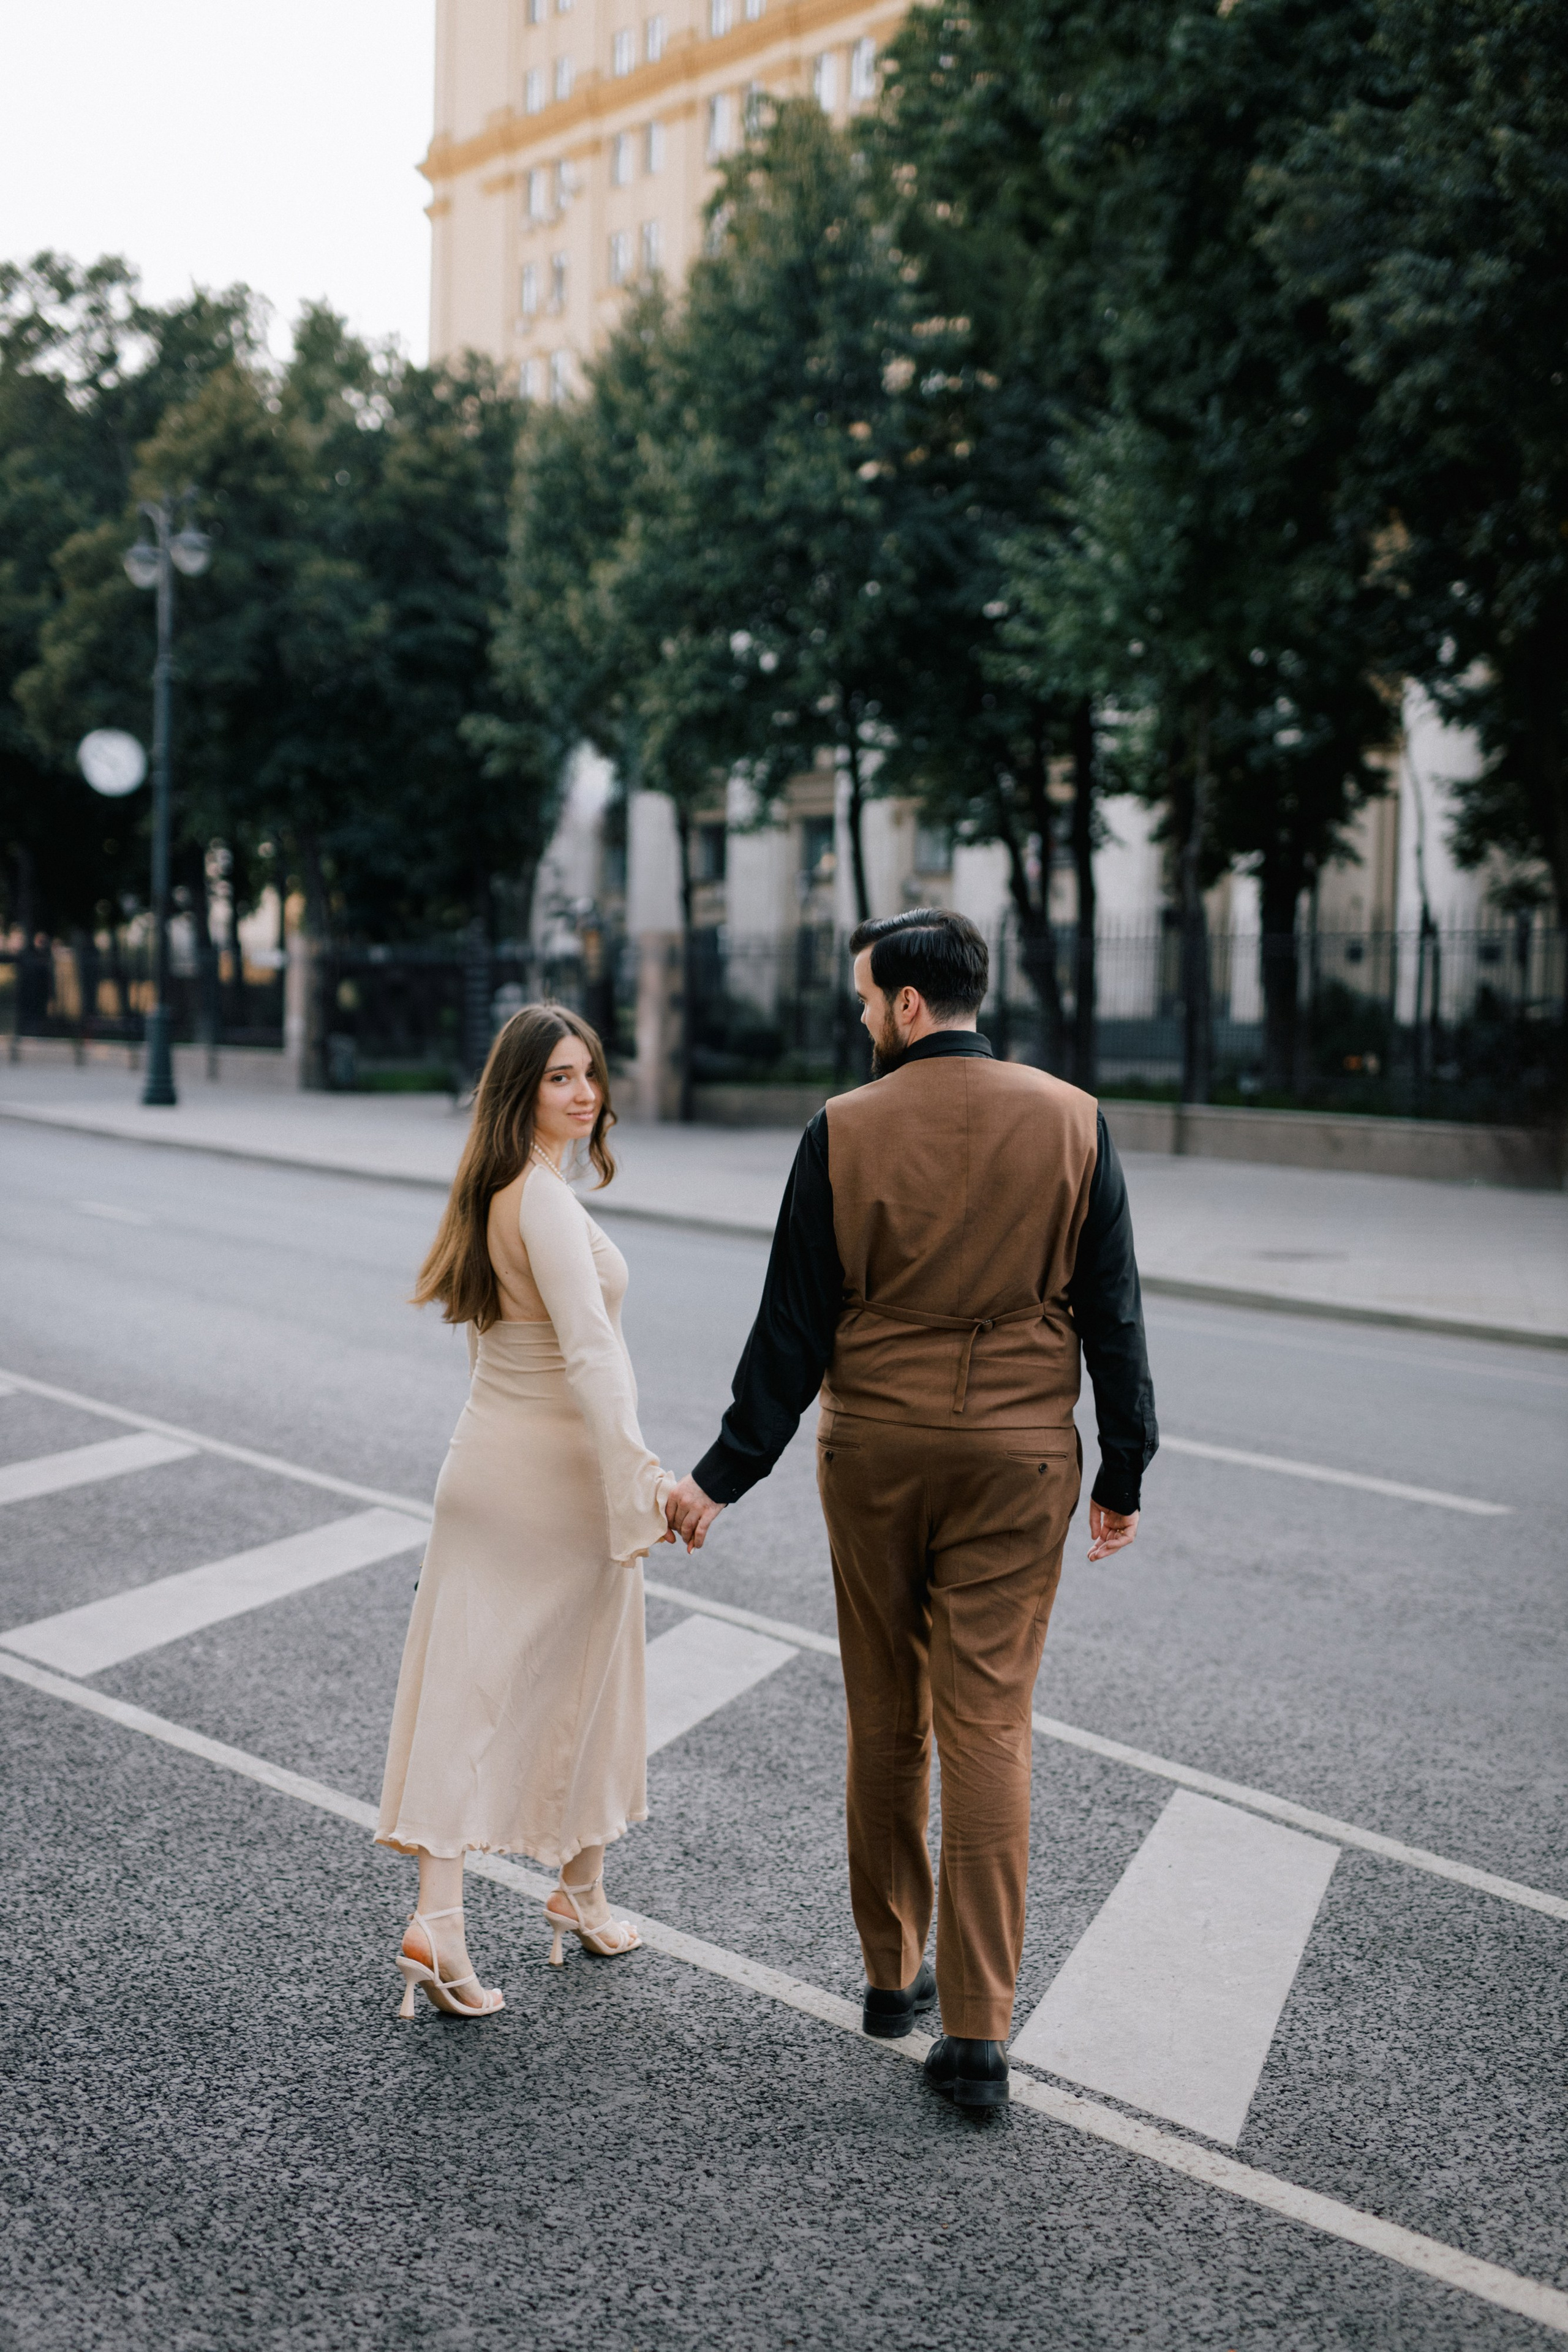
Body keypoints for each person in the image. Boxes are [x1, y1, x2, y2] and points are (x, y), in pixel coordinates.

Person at [666, 910, 1157, 2108]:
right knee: (988, 1724)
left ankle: (893, 1974)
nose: (859, 1021)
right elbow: (1114, 1316)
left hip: (874, 1449)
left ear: (901, 1005)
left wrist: (718, 1477)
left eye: (860, 1002)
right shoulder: (1074, 1123)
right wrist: (1123, 1470)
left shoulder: (841, 1129)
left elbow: (789, 1334)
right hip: (1019, 1458)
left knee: (886, 1712)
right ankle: (978, 2036)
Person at [377, 1005, 676, 2018]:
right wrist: (640, 1479)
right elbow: (592, 1353)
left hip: (487, 1468)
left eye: (589, 1073)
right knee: (589, 1682)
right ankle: (534, 1903)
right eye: (559, 1077)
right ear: (521, 1091)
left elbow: (494, 1353)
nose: (585, 1093)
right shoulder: (541, 1200)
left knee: (477, 1690)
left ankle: (497, 1908)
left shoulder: (493, 1190)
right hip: (556, 1484)